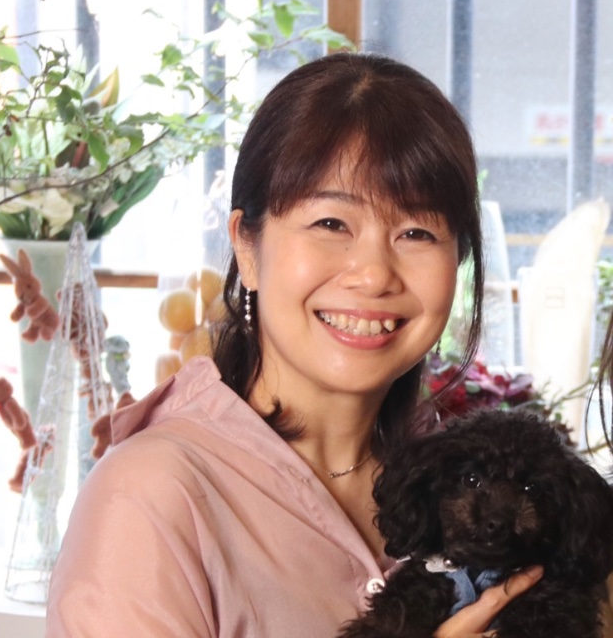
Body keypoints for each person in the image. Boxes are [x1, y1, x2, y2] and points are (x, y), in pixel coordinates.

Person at [45, 52, 542, 637]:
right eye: (331, 224)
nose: (374, 275)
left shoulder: (467, 484)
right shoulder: (149, 497)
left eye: (416, 232)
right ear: (247, 247)